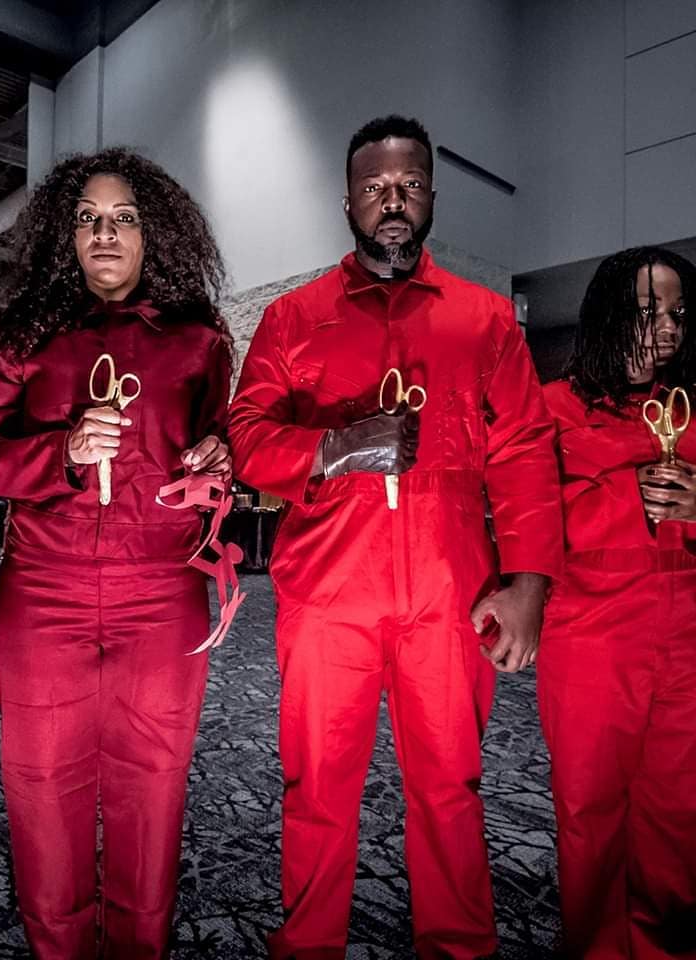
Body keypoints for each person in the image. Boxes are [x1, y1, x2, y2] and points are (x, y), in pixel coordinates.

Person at [228, 115, 563, 959]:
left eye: (409, 185)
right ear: (347, 203)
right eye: (374, 187)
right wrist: (333, 446)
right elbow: (247, 437)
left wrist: (528, 581)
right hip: (328, 596)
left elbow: (525, 449)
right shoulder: (295, 318)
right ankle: (308, 946)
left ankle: (458, 947)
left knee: (451, 789)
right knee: (316, 790)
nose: (392, 201)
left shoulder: (484, 320)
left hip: (449, 596)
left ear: (432, 197)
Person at [0, 148, 233, 959]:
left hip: (162, 592)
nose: (105, 234)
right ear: (67, 235)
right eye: (88, 219)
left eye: (123, 219)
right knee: (43, 793)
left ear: (152, 233)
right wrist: (65, 450)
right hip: (42, 591)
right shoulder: (25, 337)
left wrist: (221, 460)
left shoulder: (198, 342)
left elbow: (224, 445)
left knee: (151, 792)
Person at [539, 247, 696, 959]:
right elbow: (524, 514)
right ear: (607, 314)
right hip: (591, 633)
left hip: (687, 636)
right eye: (648, 310)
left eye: (678, 313)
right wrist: (621, 499)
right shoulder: (553, 408)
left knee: (679, 811)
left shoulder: (691, 405)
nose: (668, 327)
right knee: (591, 809)